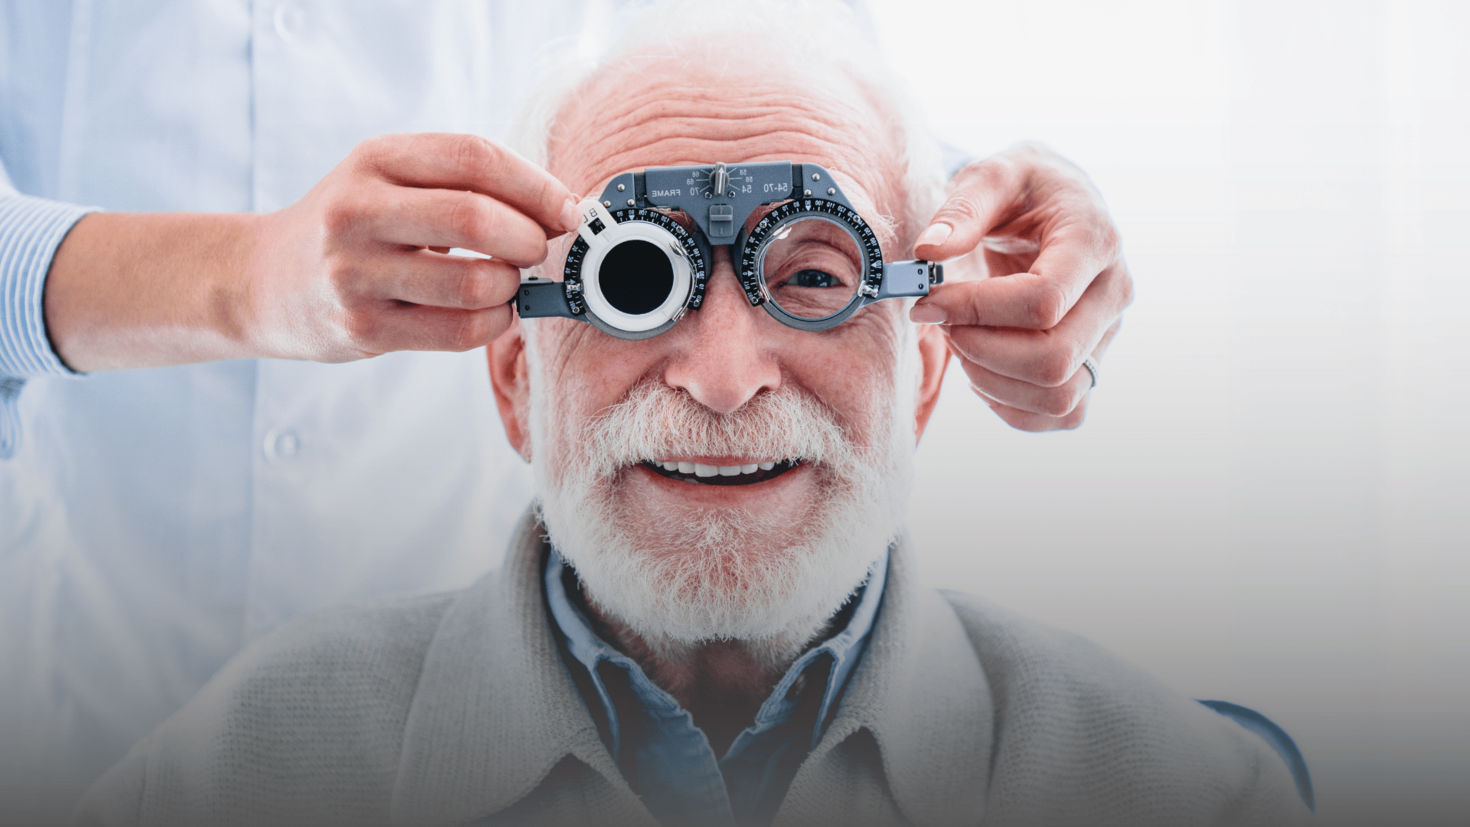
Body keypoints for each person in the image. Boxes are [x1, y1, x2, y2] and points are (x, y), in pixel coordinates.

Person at [72, 5, 1303, 825]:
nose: (721, 377)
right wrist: (234, 275)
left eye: (811, 276)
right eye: (632, 278)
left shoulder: (1190, 790)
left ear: (926, 371)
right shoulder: (219, 776)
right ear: (513, 378)